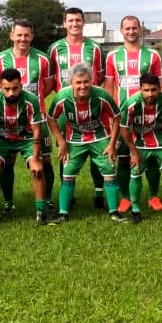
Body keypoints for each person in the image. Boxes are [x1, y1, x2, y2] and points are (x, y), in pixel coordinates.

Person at [48, 7, 108, 208]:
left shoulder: (95, 48)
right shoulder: (55, 48)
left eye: (78, 20)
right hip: (65, 108)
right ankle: (68, 194)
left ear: (83, 23)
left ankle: (99, 193)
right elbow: (50, 79)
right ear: (64, 23)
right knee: (64, 149)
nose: (74, 24)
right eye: (70, 21)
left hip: (91, 106)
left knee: (96, 148)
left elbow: (99, 78)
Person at [46, 64, 121, 224]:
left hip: (99, 137)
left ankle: (114, 212)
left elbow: (116, 116)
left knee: (109, 169)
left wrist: (112, 143)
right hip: (75, 139)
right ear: (71, 83)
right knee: (68, 172)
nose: (83, 86)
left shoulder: (101, 96)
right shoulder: (62, 97)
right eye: (78, 82)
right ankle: (63, 213)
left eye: (86, 81)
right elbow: (51, 118)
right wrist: (61, 141)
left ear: (92, 81)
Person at [0, 19, 56, 213]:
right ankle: (8, 202)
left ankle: (45, 199)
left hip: (36, 119)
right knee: (7, 160)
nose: (23, 38)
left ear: (32, 36)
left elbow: (48, 86)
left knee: (44, 160)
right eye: (19, 34)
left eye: (26, 35)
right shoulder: (0, 58)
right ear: (11, 35)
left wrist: (32, 104)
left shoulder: (42, 59)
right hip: (7, 119)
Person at [104, 15, 162, 213]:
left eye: (134, 28)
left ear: (140, 30)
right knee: (123, 158)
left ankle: (154, 196)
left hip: (148, 115)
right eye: (127, 28)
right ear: (121, 31)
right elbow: (110, 87)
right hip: (123, 116)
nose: (131, 32)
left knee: (152, 157)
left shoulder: (153, 56)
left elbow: (159, 86)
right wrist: (111, 114)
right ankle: (126, 198)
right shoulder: (112, 56)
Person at [0, 68, 47, 224]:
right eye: (7, 89)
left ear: (21, 86)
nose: (11, 93)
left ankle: (41, 211)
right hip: (2, 140)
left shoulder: (31, 100)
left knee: (37, 169)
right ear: (0, 86)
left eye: (15, 88)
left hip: (26, 139)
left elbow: (37, 131)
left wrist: (37, 158)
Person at [118, 73, 162, 222]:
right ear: (140, 89)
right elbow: (123, 128)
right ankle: (136, 211)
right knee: (135, 173)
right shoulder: (132, 103)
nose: (150, 94)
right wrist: (134, 153)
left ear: (160, 89)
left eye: (154, 90)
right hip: (140, 143)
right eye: (146, 90)